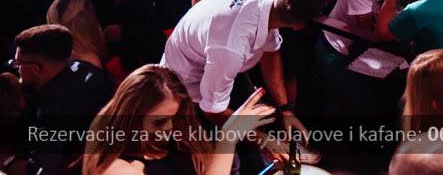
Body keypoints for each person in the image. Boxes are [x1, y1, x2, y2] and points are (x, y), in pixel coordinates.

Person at [161, 0, 323, 139]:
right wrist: (263, 141)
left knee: (255, 117)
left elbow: (270, 52)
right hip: (185, 82)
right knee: (220, 147)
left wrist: (285, 109)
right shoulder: (231, 49)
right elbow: (213, 111)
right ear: (298, 26)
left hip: (212, 59)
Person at [81, 64, 277, 175]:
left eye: (174, 117)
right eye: (159, 121)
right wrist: (228, 137)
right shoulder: (116, 168)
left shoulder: (175, 143)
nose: (170, 127)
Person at [13, 23, 112, 175]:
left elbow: (43, 169)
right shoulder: (85, 69)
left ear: (36, 69)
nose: (16, 68)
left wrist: (8, 163)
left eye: (17, 63)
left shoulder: (52, 107)